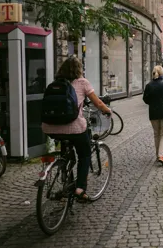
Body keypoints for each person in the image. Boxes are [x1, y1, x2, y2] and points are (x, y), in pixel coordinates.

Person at [42, 56, 111, 202]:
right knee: (84, 154)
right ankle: (80, 189)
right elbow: (97, 102)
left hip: (50, 127)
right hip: (74, 128)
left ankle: (64, 170)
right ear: (79, 69)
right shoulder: (82, 82)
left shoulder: (55, 84)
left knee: (67, 148)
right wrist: (107, 111)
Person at [143, 65, 163, 166]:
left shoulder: (149, 85)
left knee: (156, 134)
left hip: (153, 113)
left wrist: (153, 103)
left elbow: (145, 99)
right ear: (162, 73)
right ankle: (162, 156)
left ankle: (158, 156)